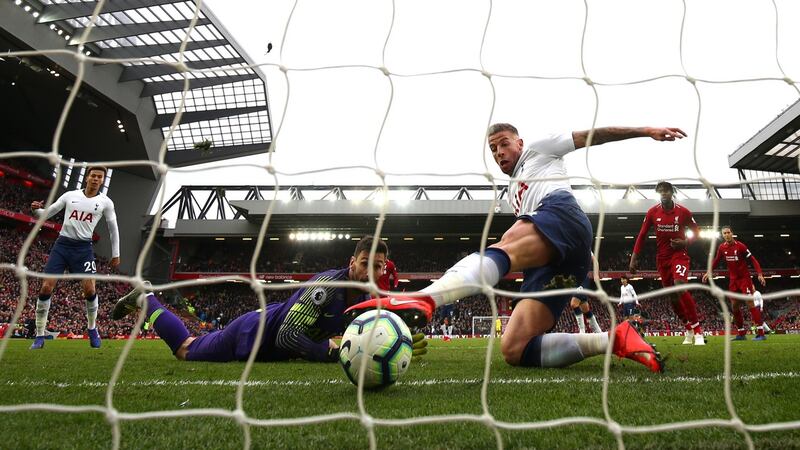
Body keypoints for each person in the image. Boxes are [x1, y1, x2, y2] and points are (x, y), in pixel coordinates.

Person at [347, 124, 687, 372]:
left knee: (505, 243)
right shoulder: (512, 193)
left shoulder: (539, 149)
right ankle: (613, 340)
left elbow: (590, 136)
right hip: (555, 261)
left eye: (503, 144)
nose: (499, 154)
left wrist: (646, 131)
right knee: (514, 349)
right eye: (493, 150)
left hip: (561, 216)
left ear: (519, 142)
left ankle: (427, 297)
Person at [112, 237, 426, 362]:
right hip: (255, 333)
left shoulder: (370, 296)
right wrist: (329, 354)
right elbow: (287, 336)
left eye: (378, 266)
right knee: (186, 350)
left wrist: (401, 343)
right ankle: (147, 299)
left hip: (269, 329)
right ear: (352, 262)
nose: (371, 271)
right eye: (365, 264)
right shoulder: (327, 287)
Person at [29, 166, 120, 350]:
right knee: (46, 287)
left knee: (89, 289)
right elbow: (48, 213)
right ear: (87, 178)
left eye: (99, 177)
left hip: (83, 249)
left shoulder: (106, 202)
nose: (95, 179)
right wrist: (35, 210)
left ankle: (92, 330)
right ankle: (39, 336)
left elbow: (113, 228)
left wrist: (116, 253)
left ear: (102, 180)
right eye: (93, 175)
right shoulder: (70, 196)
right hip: (62, 245)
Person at [629, 181, 705, 346]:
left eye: (666, 191)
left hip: (679, 255)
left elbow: (697, 233)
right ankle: (688, 329)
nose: (663, 193)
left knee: (680, 285)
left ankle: (698, 331)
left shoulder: (683, 212)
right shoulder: (652, 212)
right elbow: (642, 236)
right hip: (662, 259)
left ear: (672, 193)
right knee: (672, 295)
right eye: (660, 191)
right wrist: (634, 257)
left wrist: (685, 242)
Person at [702, 226, 767, 341]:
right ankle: (741, 334)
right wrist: (708, 272)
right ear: (722, 235)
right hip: (733, 281)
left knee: (750, 304)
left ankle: (761, 334)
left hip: (744, 279)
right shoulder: (722, 248)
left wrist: (760, 274)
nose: (726, 235)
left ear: (732, 233)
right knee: (734, 306)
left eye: (728, 232)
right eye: (724, 233)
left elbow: (753, 259)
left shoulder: (740, 246)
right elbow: (716, 260)